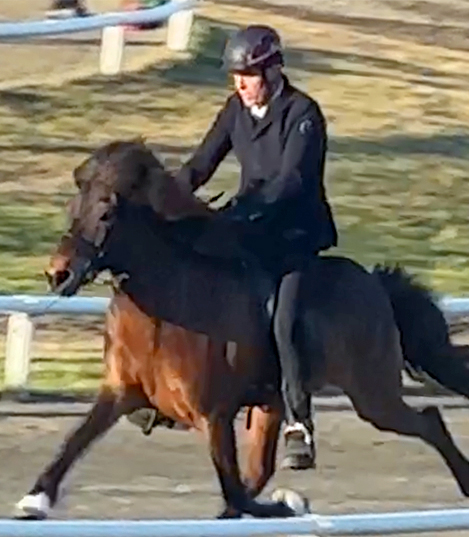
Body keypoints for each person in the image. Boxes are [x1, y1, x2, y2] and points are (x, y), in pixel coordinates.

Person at [127, 24, 338, 471]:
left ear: (273, 70)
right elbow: (201, 164)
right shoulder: (234, 109)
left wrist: (241, 212)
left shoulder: (304, 114)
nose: (240, 84)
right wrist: (164, 202)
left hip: (293, 238)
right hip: (249, 231)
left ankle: (299, 422)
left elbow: (290, 183)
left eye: (248, 74)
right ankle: (169, 393)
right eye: (235, 75)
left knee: (283, 322)